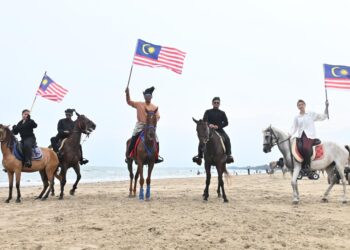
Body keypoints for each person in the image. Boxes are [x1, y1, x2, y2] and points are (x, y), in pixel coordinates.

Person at [125, 86, 163, 163]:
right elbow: (129, 102)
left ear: (151, 97)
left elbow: (158, 117)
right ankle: (129, 154)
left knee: (157, 139)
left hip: (150, 127)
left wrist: (152, 123)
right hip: (140, 125)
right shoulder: (139, 104)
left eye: (149, 96)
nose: (147, 97)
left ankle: (156, 156)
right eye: (146, 96)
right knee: (134, 137)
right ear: (144, 96)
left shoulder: (154, 107)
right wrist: (127, 93)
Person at [192, 97, 234, 165]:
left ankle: (228, 156)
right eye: (215, 102)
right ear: (212, 103)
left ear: (219, 104)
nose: (216, 104)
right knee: (202, 140)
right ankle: (199, 157)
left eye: (218, 103)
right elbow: (204, 121)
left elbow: (226, 123)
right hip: (209, 130)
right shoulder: (207, 111)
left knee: (227, 138)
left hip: (220, 130)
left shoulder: (222, 113)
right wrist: (209, 125)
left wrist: (218, 126)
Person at [289, 99, 329, 169]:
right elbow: (294, 127)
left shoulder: (311, 114)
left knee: (305, 148)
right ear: (297, 107)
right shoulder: (297, 117)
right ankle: (299, 165)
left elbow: (322, 117)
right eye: (299, 105)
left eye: (301, 104)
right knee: (298, 148)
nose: (300, 106)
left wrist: (326, 107)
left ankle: (307, 166)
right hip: (301, 136)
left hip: (310, 136)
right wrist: (289, 134)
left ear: (304, 105)